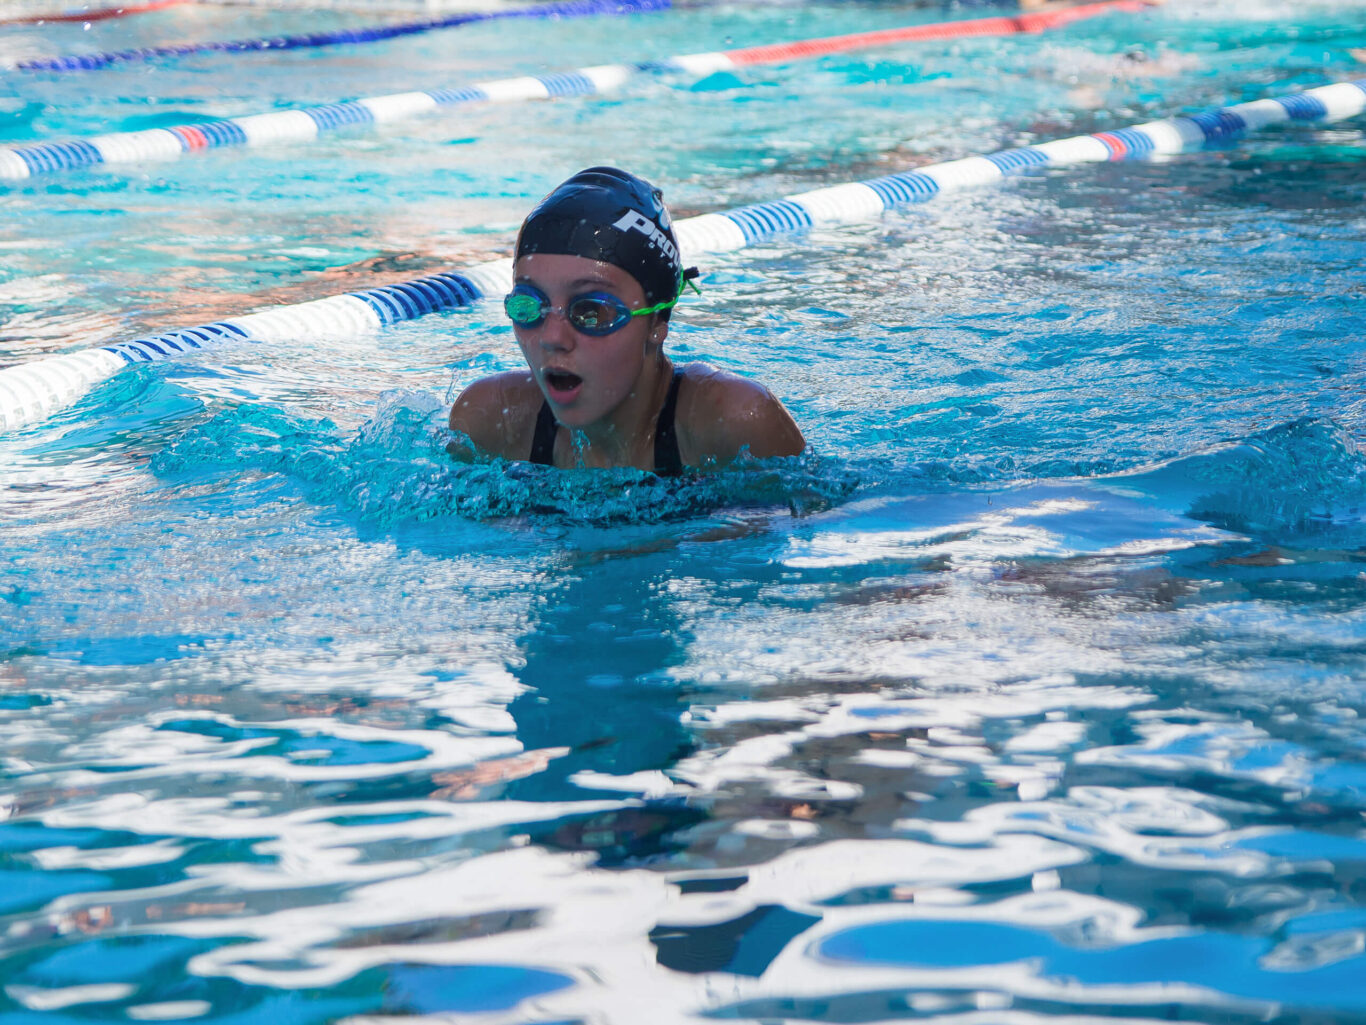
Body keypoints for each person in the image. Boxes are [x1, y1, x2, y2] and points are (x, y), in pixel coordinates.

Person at [447, 167, 805, 475]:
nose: (552, 337)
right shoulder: (493, 424)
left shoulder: (735, 423)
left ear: (657, 321)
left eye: (590, 311)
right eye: (530, 306)